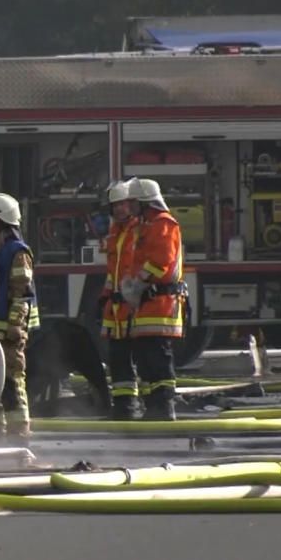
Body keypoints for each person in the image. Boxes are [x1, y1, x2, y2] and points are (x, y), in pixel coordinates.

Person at [0, 193, 39, 444]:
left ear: (1, 219)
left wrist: (15, 325)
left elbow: (22, 293)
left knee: (11, 384)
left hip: (8, 333)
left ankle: (18, 435)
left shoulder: (17, 252)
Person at [120, 178, 185, 421]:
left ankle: (165, 407)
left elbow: (161, 261)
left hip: (161, 303)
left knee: (159, 356)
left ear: (145, 202)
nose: (130, 207)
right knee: (146, 357)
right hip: (148, 304)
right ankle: (153, 407)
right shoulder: (147, 226)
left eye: (133, 202)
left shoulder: (163, 224)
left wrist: (139, 281)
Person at [99, 179, 143, 419]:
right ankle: (124, 405)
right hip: (116, 307)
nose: (119, 209)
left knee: (139, 356)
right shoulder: (116, 232)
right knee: (118, 357)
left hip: (134, 305)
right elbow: (112, 272)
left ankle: (137, 405)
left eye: (123, 204)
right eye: (115, 205)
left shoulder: (139, 230)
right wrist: (105, 296)